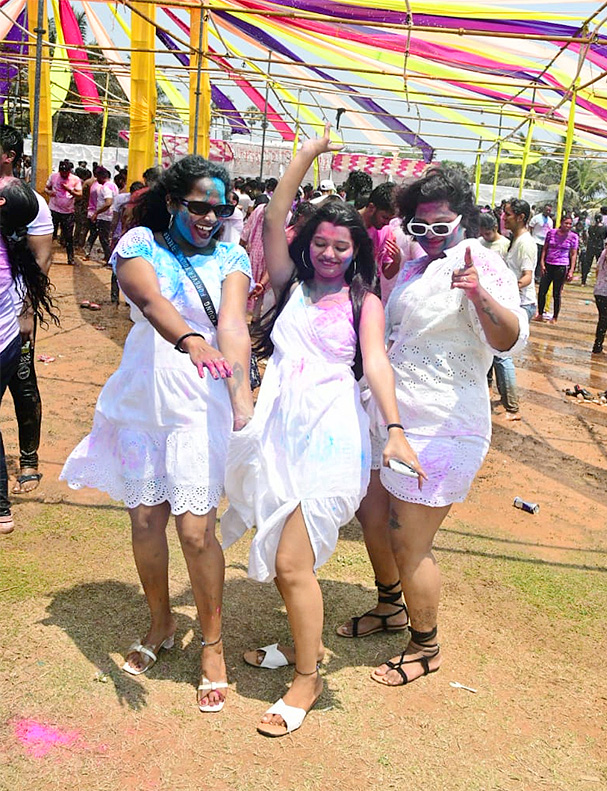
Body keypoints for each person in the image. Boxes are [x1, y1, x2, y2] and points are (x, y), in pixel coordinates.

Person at [221, 126, 423, 737]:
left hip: (331, 436)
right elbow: (278, 210)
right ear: (307, 245)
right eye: (322, 244)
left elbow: (378, 364)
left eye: (342, 246)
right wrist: (304, 156)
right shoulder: (290, 285)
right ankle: (296, 648)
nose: (330, 254)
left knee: (291, 562)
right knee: (287, 550)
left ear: (356, 249)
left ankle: (306, 681)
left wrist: (393, 427)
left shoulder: (366, 302)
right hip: (279, 429)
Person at [60, 156, 254, 712]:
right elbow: (149, 300)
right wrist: (191, 340)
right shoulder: (139, 243)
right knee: (146, 521)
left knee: (197, 533)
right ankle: (161, 623)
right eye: (199, 206)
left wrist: (240, 392)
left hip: (199, 405)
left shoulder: (232, 256)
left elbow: (234, 325)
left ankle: (211, 646)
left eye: (220, 208)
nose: (211, 217)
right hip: (144, 401)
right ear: (173, 202)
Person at [336, 165, 527, 689]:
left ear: (463, 217)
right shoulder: (421, 267)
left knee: (408, 538)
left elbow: (510, 339)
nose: (430, 234)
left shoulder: (481, 264)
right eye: (418, 227)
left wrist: (480, 296)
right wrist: (396, 269)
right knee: (372, 516)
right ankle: (390, 606)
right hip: (391, 416)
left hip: (445, 424)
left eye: (441, 223)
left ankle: (426, 645)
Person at [0, 179, 58, 534]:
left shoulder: (30, 202)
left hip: (14, 323)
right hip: (9, 323)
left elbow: (43, 259)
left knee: (24, 388)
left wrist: (27, 313)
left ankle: (28, 461)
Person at [490, 198, 537, 419]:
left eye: (507, 214)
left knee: (502, 353)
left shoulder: (525, 243)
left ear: (520, 217)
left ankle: (511, 405)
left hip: (522, 302)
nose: (503, 217)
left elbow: (528, 276)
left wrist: (510, 287)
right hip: (512, 300)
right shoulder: (514, 240)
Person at [359, 183, 402, 304]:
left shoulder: (386, 231)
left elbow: (387, 273)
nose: (387, 223)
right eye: (384, 217)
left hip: (369, 293)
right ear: (372, 208)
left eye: (390, 219)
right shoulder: (348, 224)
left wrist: (397, 261)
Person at [534, 214, 578, 324]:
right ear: (561, 223)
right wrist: (542, 263)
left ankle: (555, 316)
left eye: (570, 224)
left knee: (556, 293)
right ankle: (540, 313)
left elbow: (573, 254)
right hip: (548, 264)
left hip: (561, 266)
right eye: (566, 223)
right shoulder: (551, 233)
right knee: (542, 291)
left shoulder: (573, 237)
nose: (568, 226)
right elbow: (545, 248)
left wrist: (571, 270)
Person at [45, 160, 82, 266]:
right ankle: (46, 256)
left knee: (68, 236)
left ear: (69, 171)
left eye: (66, 172)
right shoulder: (53, 177)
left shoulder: (75, 179)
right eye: (62, 172)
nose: (63, 174)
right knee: (50, 234)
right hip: (54, 209)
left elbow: (79, 194)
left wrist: (69, 190)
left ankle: (70, 258)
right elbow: (46, 188)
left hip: (68, 212)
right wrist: (50, 193)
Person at [85, 167, 118, 263]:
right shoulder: (113, 186)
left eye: (97, 176)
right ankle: (107, 257)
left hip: (104, 216)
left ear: (101, 176)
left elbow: (108, 202)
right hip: (111, 215)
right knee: (105, 237)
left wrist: (96, 212)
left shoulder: (105, 188)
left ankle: (109, 259)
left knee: (103, 239)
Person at [529, 203, 554, 282]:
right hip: (536, 241)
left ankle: (538, 276)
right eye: (547, 210)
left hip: (545, 243)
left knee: (541, 260)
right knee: (534, 259)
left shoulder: (550, 221)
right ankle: (531, 275)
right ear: (543, 209)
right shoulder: (536, 218)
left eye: (549, 210)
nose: (548, 211)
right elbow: (530, 227)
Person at [581, 214, 607, 285]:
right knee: (600, 264)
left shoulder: (591, 227)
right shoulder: (604, 227)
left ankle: (583, 281)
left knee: (587, 263)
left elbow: (589, 234)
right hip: (599, 246)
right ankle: (600, 281)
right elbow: (604, 237)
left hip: (591, 246)